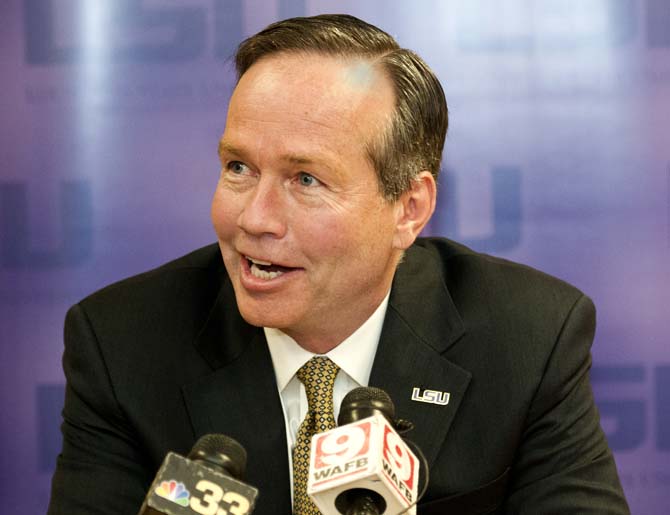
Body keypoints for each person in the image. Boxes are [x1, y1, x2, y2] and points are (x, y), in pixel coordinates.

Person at [48, 14, 629, 515]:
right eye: (238, 168)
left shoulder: (527, 336)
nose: (255, 218)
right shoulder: (122, 344)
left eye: (306, 179)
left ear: (409, 208)